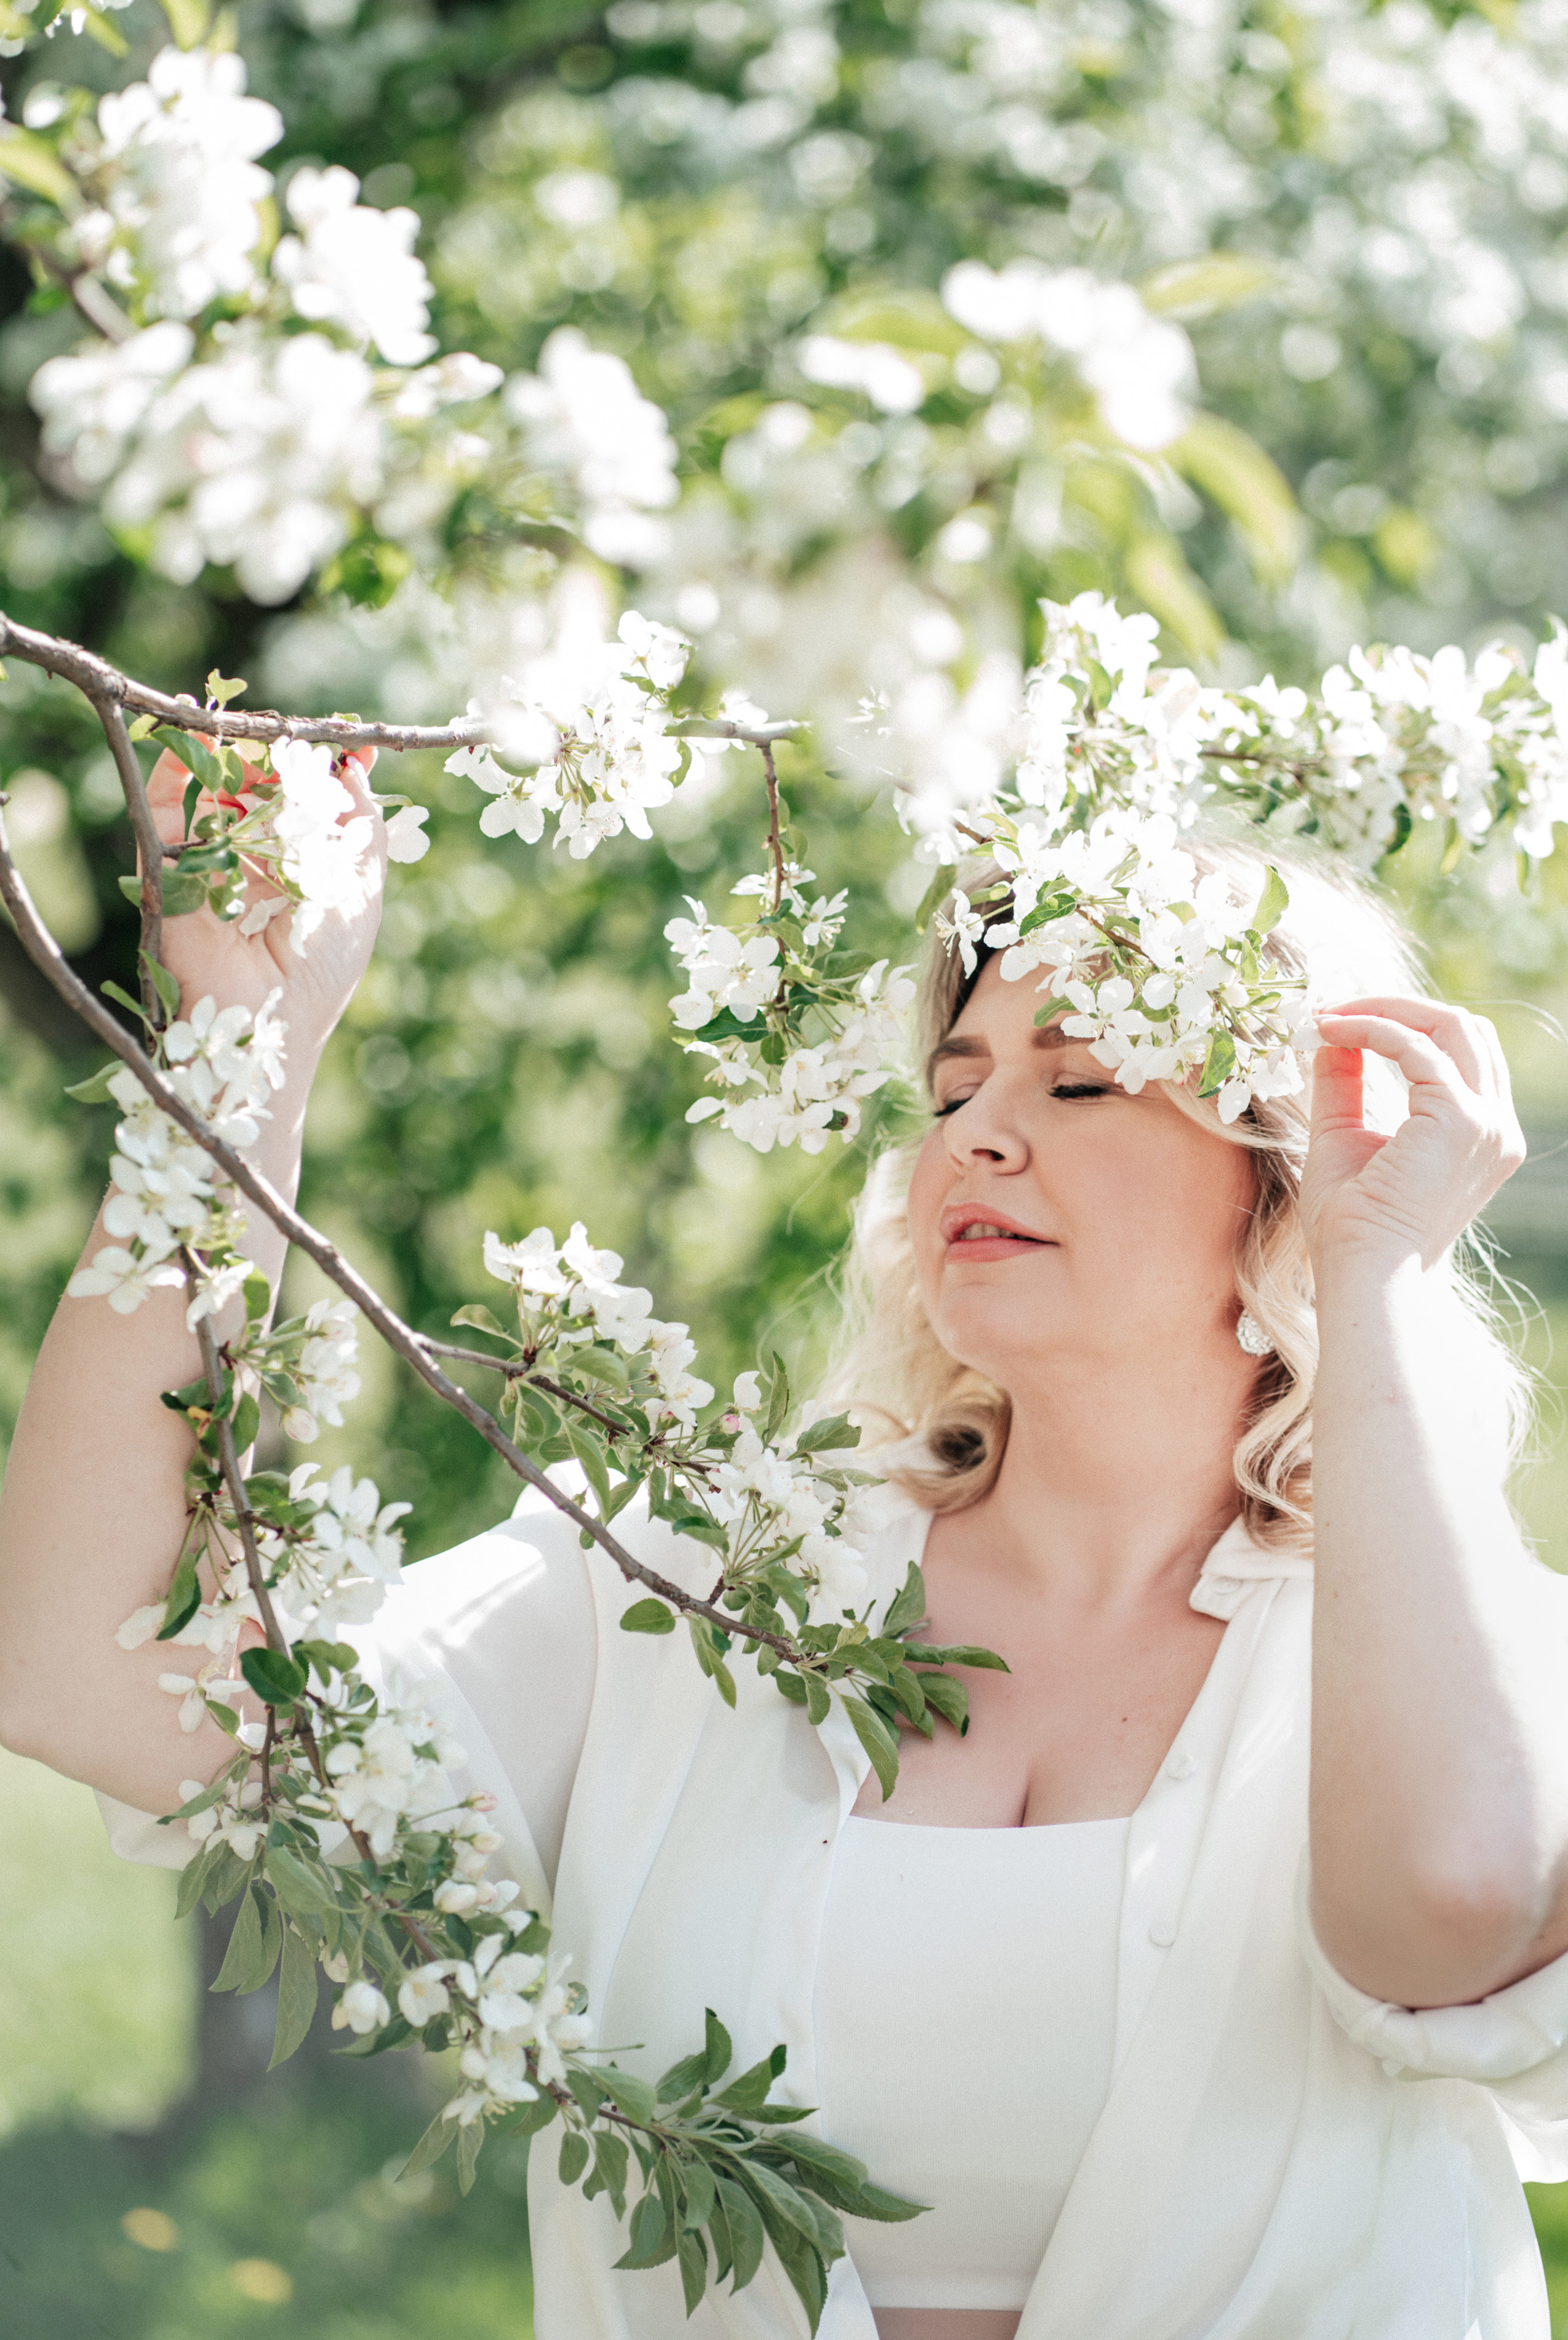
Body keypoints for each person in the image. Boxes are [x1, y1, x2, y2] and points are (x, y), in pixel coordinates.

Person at [2, 751, 1567, 2340]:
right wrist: (240, 1045)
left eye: (1079, 1079)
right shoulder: (696, 1584)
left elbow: (1446, 1909)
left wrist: (1368, 1281)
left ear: (1293, 1165)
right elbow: (70, 1668)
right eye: (956, 1086)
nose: (980, 1135)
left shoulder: (1455, 1657)